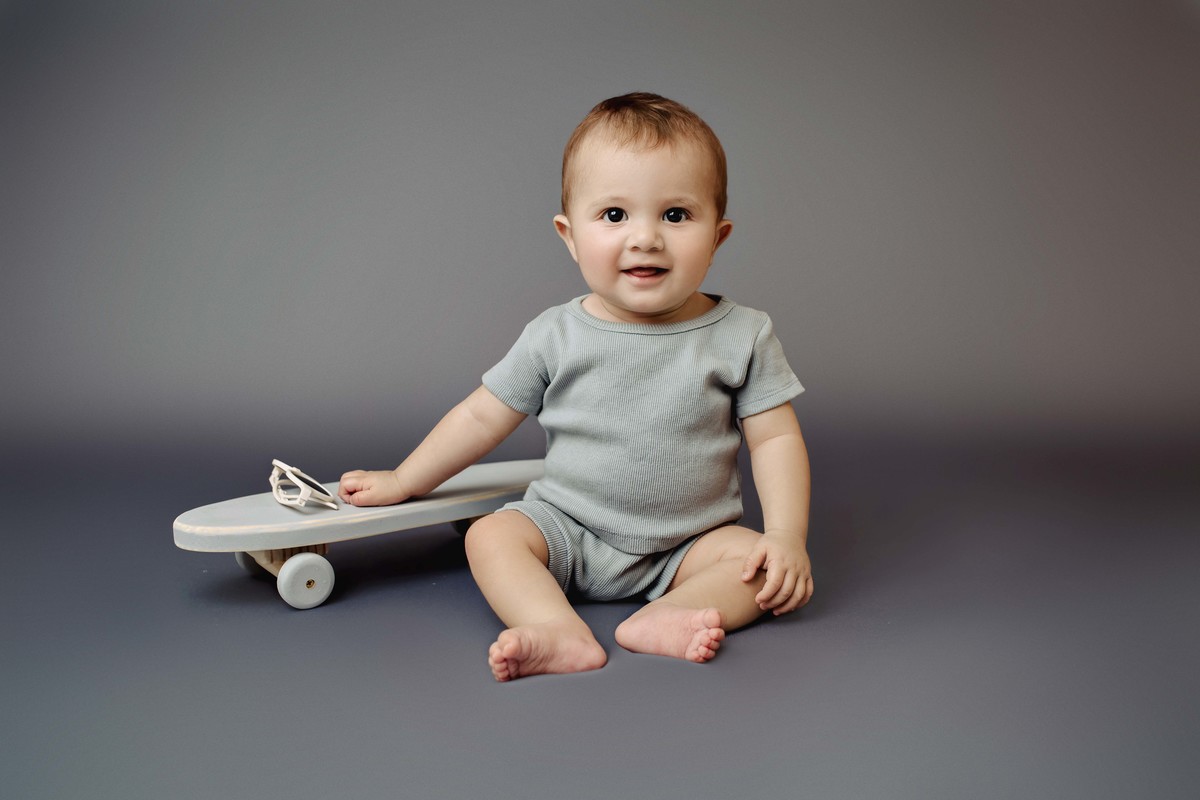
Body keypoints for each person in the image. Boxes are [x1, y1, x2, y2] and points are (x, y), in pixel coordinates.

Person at [339, 92, 813, 681]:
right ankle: (554, 625)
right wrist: (405, 480)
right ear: (569, 235)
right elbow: (482, 416)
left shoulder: (742, 334)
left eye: (675, 214)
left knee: (758, 565)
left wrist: (787, 535)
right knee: (492, 536)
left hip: (691, 545)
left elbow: (774, 441)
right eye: (615, 215)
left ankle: (670, 613)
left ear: (718, 236)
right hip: (570, 530)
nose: (645, 238)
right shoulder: (555, 335)